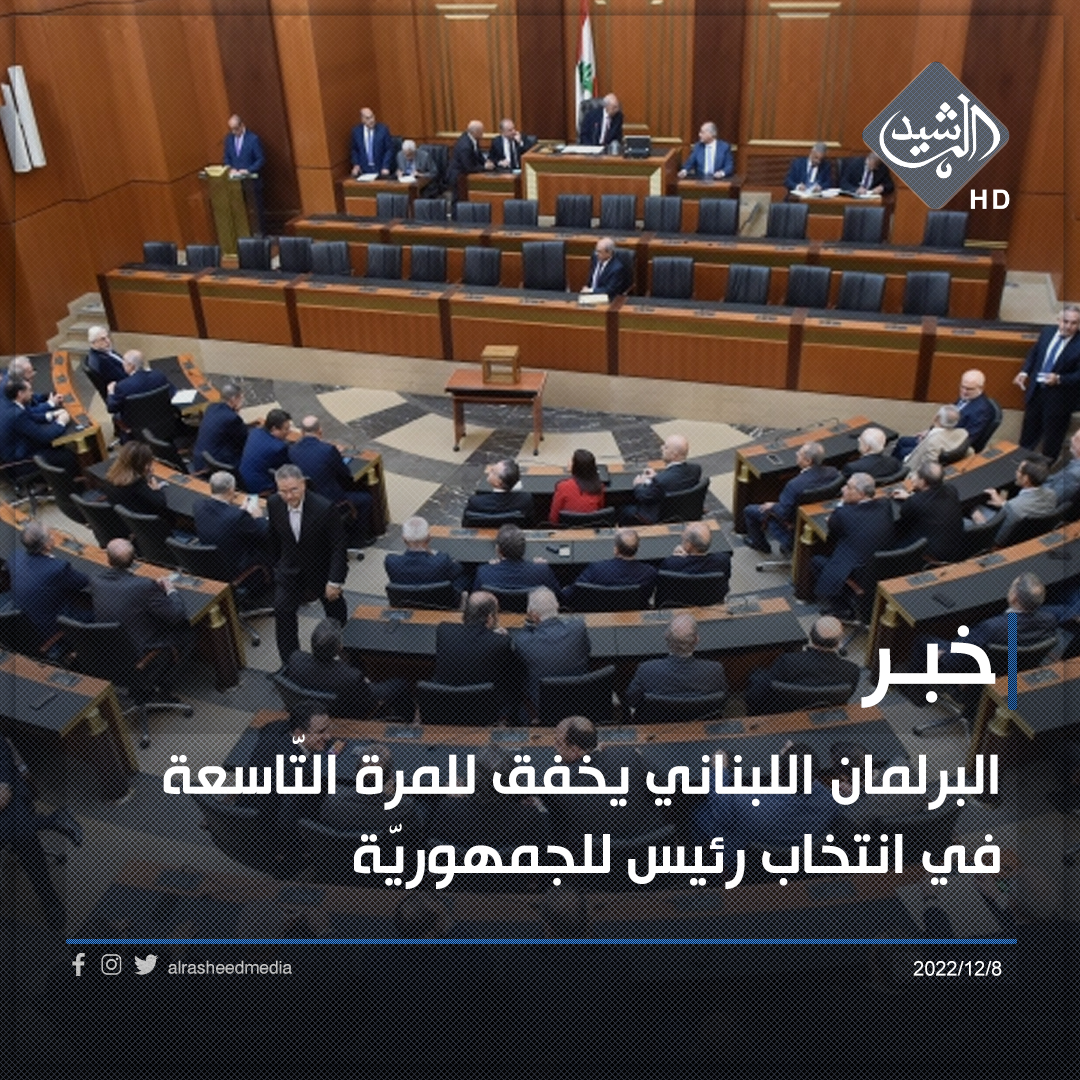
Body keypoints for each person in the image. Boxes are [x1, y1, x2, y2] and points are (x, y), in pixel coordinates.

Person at [542, 715, 664, 858]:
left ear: (575, 751)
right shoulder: (630, 755)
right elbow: (665, 785)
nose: (554, 747)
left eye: (558, 743)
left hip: (596, 866)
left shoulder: (557, 782)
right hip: (647, 855)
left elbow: (554, 828)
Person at [266, 463, 348, 666]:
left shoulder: (324, 507)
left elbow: (338, 546)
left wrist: (335, 581)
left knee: (336, 612)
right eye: (283, 491)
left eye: (293, 490)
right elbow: (274, 537)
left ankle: (344, 657)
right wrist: (277, 565)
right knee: (283, 612)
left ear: (303, 484)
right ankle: (290, 664)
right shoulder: (273, 503)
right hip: (289, 570)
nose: (289, 496)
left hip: (320, 569)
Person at [1, 734, 82, 930]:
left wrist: (3, 785)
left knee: (22, 837)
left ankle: (47, 896)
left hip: (7, 786)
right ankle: (52, 821)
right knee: (18, 829)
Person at [237, 701, 332, 869]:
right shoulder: (298, 773)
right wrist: (295, 852)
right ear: (299, 734)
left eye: (328, 729)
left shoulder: (273, 728)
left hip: (245, 811)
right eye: (321, 732)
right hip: (266, 834)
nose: (328, 737)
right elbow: (286, 822)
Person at [691, 742, 839, 848]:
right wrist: (796, 757)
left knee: (700, 812)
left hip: (746, 863)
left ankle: (695, 851)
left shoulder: (745, 802)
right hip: (797, 863)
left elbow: (720, 798)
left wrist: (719, 768)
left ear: (780, 771)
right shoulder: (832, 802)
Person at [425, 746, 549, 852]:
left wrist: (450, 797)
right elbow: (547, 847)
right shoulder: (531, 818)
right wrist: (539, 806)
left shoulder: (444, 811)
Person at [284, 618, 412, 720]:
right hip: (348, 714)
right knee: (400, 684)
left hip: (311, 712)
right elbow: (370, 702)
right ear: (339, 647)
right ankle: (407, 721)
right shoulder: (351, 677)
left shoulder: (295, 659)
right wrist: (367, 683)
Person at [88, 538, 194, 660]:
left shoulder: (96, 581)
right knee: (185, 627)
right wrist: (170, 590)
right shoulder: (144, 586)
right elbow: (177, 616)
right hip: (140, 652)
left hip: (111, 648)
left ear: (108, 559)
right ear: (134, 558)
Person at [810, 472, 897, 610]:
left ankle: (840, 608)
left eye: (849, 487)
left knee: (816, 560)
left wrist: (840, 507)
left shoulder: (843, 514)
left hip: (858, 571)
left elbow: (832, 536)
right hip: (882, 567)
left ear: (861, 494)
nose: (843, 489)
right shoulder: (885, 504)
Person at [742, 616, 860, 715]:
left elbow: (757, 695)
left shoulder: (788, 661)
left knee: (757, 675)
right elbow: (844, 699)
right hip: (824, 719)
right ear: (839, 642)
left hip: (786, 715)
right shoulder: (852, 670)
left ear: (810, 636)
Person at [433, 591, 520, 720]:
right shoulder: (501, 642)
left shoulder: (443, 630)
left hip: (443, 713)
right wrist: (496, 635)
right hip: (483, 716)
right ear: (490, 618)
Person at [743, 441, 840, 555]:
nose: (796, 453)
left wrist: (773, 505)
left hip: (793, 526)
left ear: (808, 461)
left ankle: (760, 545)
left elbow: (782, 513)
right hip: (816, 518)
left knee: (749, 510)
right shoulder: (833, 472)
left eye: (800, 453)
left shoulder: (795, 485)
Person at [287, 414, 372, 545]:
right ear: (320, 431)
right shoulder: (328, 450)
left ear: (302, 432)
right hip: (331, 502)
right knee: (365, 498)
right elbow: (346, 474)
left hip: (306, 502)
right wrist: (336, 454)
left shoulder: (292, 450)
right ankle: (357, 541)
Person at [623, 613, 728, 711]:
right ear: (697, 640)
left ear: (666, 636)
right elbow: (723, 702)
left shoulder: (646, 670)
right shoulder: (715, 671)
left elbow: (632, 701)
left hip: (661, 723)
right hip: (701, 723)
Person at [9, 520, 90, 647]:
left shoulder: (15, 557)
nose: (53, 536)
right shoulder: (58, 568)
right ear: (47, 545)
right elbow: (84, 581)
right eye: (51, 535)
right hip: (48, 633)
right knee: (97, 615)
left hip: (20, 626)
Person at [1015, 305, 1080, 459]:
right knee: (1028, 432)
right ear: (1058, 320)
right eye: (1065, 321)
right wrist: (1024, 372)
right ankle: (1019, 463)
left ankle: (1045, 468)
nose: (1068, 326)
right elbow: (1035, 353)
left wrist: (1059, 379)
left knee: (1052, 439)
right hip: (1037, 391)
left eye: (1074, 323)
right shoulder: (1047, 332)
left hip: (1060, 398)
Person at [511, 586, 590, 713]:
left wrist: (529, 624)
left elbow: (524, 633)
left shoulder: (522, 641)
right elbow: (587, 649)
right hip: (581, 707)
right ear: (557, 605)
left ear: (533, 615)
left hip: (544, 712)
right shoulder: (579, 627)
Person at [319, 744, 422, 841]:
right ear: (390, 776)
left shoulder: (332, 798)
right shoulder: (404, 806)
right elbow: (416, 839)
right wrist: (392, 796)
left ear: (356, 770)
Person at [192, 471, 271, 580]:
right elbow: (266, 532)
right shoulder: (237, 516)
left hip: (211, 562)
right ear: (230, 490)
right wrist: (258, 517)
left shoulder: (198, 505)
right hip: (235, 567)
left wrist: (239, 511)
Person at [969, 454, 1058, 545]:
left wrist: (981, 521)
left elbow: (997, 540)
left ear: (1025, 479)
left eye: (1018, 470)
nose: (1016, 472)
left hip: (996, 540)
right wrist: (1004, 504)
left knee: (973, 510)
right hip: (1026, 535)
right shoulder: (1051, 494)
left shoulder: (1014, 507)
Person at [892, 461, 966, 563]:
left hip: (933, 554)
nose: (913, 477)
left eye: (916, 475)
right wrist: (911, 497)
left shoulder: (915, 502)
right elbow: (928, 502)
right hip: (957, 546)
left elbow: (904, 514)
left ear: (923, 482)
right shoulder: (951, 489)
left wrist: (911, 499)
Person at [564, 528, 657, 608]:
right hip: (634, 619)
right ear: (638, 548)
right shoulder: (650, 573)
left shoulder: (596, 569)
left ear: (616, 549)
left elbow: (571, 595)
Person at [0, 378, 74, 475]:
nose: (32, 393)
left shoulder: (8, 405)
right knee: (68, 456)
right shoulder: (17, 415)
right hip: (20, 463)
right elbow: (44, 437)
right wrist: (61, 422)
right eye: (29, 390)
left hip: (15, 453)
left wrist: (52, 415)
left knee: (58, 447)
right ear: (20, 394)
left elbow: (30, 415)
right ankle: (75, 482)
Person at [384, 515, 469, 599]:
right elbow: (459, 570)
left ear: (403, 539)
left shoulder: (391, 562)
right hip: (439, 602)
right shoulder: (442, 560)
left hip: (404, 602)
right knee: (465, 576)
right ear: (429, 538)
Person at [625, 433, 702, 524]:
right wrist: (656, 477)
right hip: (684, 512)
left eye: (666, 447)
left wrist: (638, 485)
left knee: (623, 508)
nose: (661, 448)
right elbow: (674, 480)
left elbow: (643, 496)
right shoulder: (696, 469)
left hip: (657, 516)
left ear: (674, 455)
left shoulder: (661, 481)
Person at [472, 523, 563, 596]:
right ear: (524, 548)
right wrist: (540, 567)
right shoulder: (542, 571)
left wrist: (489, 568)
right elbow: (560, 598)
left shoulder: (483, 572)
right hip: (532, 613)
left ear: (498, 550)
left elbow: (475, 601)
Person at [102, 440, 177, 528]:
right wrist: (156, 487)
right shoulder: (137, 484)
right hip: (146, 527)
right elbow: (161, 503)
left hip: (121, 523)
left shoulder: (110, 477)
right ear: (142, 465)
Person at [190, 382, 247, 474]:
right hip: (216, 464)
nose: (242, 401)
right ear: (233, 399)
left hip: (199, 459)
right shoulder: (232, 418)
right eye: (240, 398)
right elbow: (244, 440)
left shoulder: (211, 407)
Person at [223, 115, 266, 233]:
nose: (234, 132)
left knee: (256, 212)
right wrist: (230, 168)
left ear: (242, 125)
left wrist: (248, 170)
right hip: (235, 183)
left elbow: (260, 159)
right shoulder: (229, 139)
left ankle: (260, 235)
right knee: (240, 212)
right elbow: (226, 158)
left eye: (236, 128)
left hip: (252, 182)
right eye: (231, 129)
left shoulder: (253, 139)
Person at [900, 404, 969, 476]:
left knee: (901, 452)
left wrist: (925, 443)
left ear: (937, 418)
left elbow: (928, 468)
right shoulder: (963, 432)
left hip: (912, 468)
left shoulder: (932, 442)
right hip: (942, 453)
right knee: (903, 441)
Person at [462, 458, 534, 525]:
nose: (489, 471)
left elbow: (465, 523)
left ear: (498, 483)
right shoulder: (526, 499)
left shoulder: (475, 502)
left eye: (493, 471)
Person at [238, 407, 292, 494]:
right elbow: (286, 467)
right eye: (286, 429)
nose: (289, 432)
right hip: (259, 486)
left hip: (242, 477)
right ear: (274, 429)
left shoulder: (255, 431)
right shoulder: (278, 447)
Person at [105, 349, 174, 414]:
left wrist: (111, 393)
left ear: (131, 366)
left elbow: (112, 408)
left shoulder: (122, 386)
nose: (122, 365)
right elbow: (172, 392)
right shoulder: (158, 375)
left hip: (137, 420)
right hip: (163, 415)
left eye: (124, 362)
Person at [549, 448, 606, 524]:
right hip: (590, 529)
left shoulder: (563, 487)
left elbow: (553, 519)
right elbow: (600, 511)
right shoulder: (599, 487)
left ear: (575, 466)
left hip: (567, 530)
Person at [658, 521, 732, 578]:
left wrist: (677, 558)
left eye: (684, 538)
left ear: (688, 546)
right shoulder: (724, 560)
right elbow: (726, 578)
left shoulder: (671, 564)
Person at [447, 120, 493, 201]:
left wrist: (485, 162)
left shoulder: (473, 138)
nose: (483, 133)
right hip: (458, 176)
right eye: (481, 131)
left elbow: (478, 154)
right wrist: (484, 167)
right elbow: (469, 167)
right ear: (475, 132)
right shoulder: (465, 146)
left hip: (463, 174)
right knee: (459, 199)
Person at [349, 106, 394, 178]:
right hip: (363, 170)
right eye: (367, 118)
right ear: (362, 119)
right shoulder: (356, 132)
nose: (371, 120)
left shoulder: (383, 130)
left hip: (381, 169)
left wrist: (385, 166)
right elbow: (354, 150)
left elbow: (389, 149)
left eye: (372, 117)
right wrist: (356, 164)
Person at [1047, 429, 1080, 508]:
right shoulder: (1075, 463)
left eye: (1076, 439)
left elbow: (1052, 499)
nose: (1071, 439)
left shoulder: (1073, 475)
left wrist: (1032, 486)